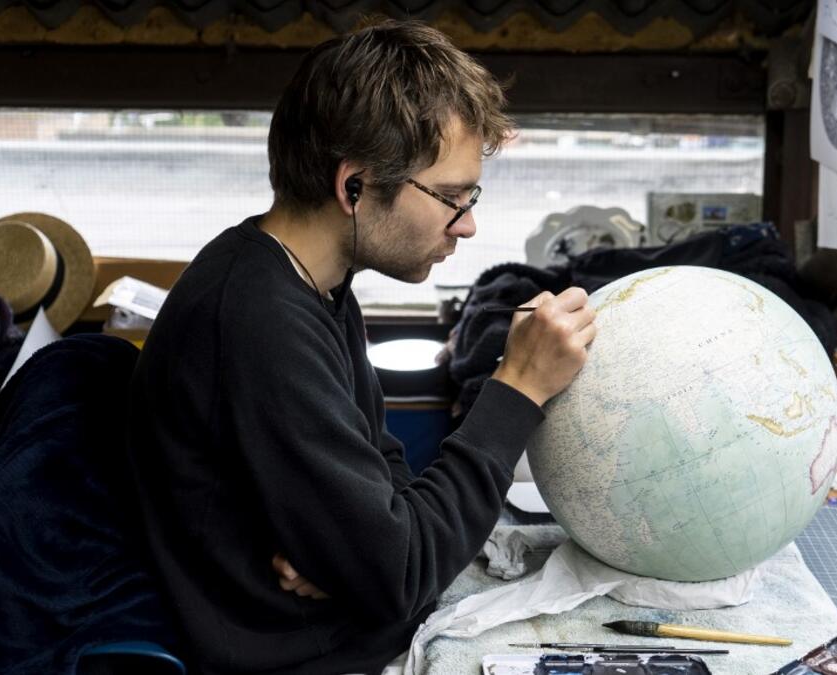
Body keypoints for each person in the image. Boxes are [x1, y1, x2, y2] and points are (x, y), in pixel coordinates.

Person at [126, 19, 597, 675]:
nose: (468, 225)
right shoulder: (259, 318)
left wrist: (351, 558)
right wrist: (516, 388)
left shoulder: (315, 282)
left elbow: (387, 483)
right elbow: (402, 572)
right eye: (452, 199)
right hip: (304, 654)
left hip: (344, 619)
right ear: (354, 186)